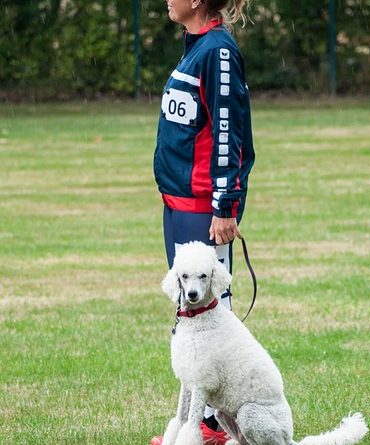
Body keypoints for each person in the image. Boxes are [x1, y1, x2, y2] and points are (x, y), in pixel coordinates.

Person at [150, 0, 255, 443]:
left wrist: (225, 203)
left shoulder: (218, 51)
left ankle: (214, 424)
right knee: (188, 310)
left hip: (203, 205)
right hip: (177, 203)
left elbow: (229, 129)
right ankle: (196, 420)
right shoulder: (195, 46)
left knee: (212, 311)